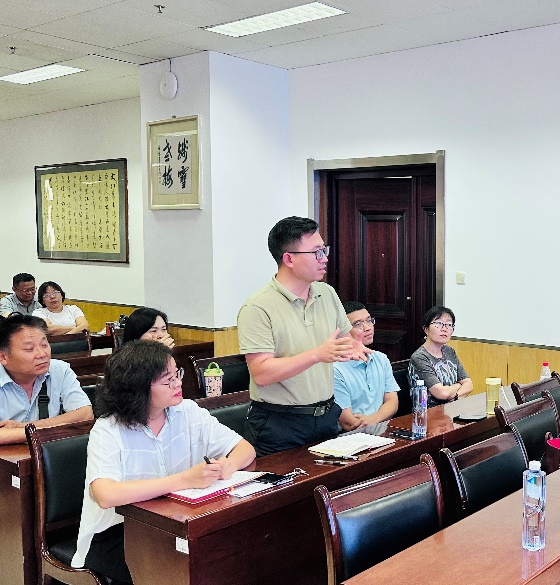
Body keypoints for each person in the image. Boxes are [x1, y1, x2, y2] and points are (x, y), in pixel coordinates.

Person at [71, 340, 255, 584]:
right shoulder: (108, 430)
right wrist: (185, 480)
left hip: (173, 524)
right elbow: (106, 495)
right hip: (115, 533)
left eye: (177, 374)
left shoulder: (188, 411)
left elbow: (245, 449)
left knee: (230, 555)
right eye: (168, 380)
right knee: (180, 572)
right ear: (137, 388)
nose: (178, 383)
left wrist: (227, 466)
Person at [237, 216, 371, 456]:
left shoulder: (327, 293)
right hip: (279, 423)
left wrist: (353, 346)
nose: (325, 258)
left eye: (324, 250)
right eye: (316, 252)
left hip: (326, 416)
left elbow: (346, 338)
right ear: (289, 259)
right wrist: (317, 355)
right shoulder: (257, 307)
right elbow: (261, 373)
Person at [0, 314, 93, 444]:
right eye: (29, 349)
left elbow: (85, 415)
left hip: (48, 453)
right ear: (3, 357)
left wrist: (23, 428)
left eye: (44, 345)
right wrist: (53, 428)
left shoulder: (59, 370)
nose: (42, 354)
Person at [333, 302, 399, 431]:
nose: (367, 327)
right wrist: (370, 424)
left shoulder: (381, 358)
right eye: (357, 324)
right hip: (350, 435)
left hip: (382, 429)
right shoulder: (335, 368)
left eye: (369, 320)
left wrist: (374, 419)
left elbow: (392, 401)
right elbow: (347, 421)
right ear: (342, 332)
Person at [408, 306, 472, 407]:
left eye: (449, 325)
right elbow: (441, 393)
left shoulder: (450, 351)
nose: (444, 329)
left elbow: (469, 384)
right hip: (428, 413)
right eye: (438, 324)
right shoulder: (420, 357)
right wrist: (459, 385)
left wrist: (455, 397)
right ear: (426, 329)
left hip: (451, 409)